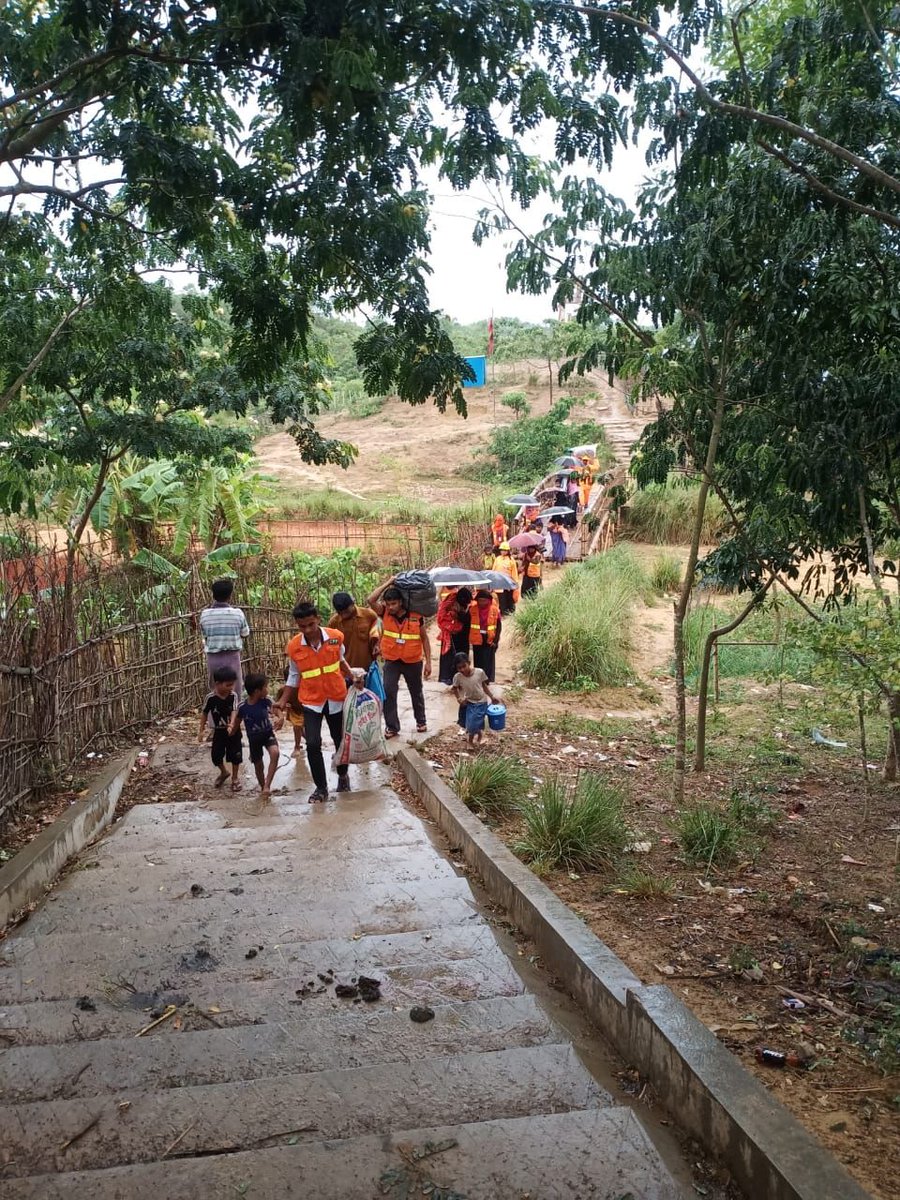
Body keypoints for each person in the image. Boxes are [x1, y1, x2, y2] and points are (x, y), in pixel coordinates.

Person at [276, 602, 356, 803]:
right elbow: (294, 676)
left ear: (318, 619)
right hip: (311, 700)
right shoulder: (294, 646)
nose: (308, 630)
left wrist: (354, 676)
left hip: (336, 697)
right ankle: (321, 788)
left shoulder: (336, 638)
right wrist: (282, 701)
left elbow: (340, 660)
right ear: (297, 625)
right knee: (312, 743)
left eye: (311, 624)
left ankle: (343, 775)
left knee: (340, 741)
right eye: (302, 626)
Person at [367, 576, 432, 737]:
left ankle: (421, 721)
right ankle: (392, 727)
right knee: (388, 692)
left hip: (413, 661)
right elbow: (370, 599)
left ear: (401, 602)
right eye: (388, 604)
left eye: (394, 603)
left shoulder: (416, 616)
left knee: (416, 692)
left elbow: (424, 639)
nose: (390, 607)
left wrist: (429, 662)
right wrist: (388, 582)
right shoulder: (384, 613)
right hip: (391, 660)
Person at [229, 673, 282, 800]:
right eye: (265, 687)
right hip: (254, 740)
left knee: (275, 753)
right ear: (257, 691)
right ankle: (263, 786)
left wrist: (280, 717)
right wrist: (231, 733)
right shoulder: (243, 707)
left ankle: (267, 785)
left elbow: (277, 710)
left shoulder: (267, 701)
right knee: (259, 766)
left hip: (268, 734)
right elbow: (236, 722)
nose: (267, 690)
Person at [199, 578, 250, 698]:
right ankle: (235, 714)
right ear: (230, 595)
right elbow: (245, 633)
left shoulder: (205, 614)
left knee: (215, 688)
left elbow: (204, 635)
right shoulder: (237, 613)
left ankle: (214, 715)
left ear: (213, 594)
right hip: (232, 657)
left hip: (213, 657)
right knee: (235, 688)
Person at [197, 666, 243, 790]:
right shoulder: (210, 698)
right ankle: (224, 772)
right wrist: (201, 730)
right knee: (216, 755)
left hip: (233, 731)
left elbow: (234, 710)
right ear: (217, 684)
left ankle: (235, 778)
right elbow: (205, 713)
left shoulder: (233, 695)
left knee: (236, 755)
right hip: (218, 730)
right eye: (228, 685)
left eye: (232, 684)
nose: (231, 688)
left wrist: (232, 724)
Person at [450, 652, 497, 748]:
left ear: (469, 663)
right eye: (459, 668)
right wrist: (459, 699)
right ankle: (474, 738)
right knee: (471, 724)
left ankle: (471, 740)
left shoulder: (479, 672)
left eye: (464, 666)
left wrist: (492, 697)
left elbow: (484, 686)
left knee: (474, 723)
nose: (462, 669)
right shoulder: (458, 677)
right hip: (469, 702)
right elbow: (454, 688)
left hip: (481, 701)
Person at [327, 592, 380, 670]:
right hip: (346, 670)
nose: (343, 615)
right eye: (340, 613)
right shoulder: (334, 623)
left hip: (369, 668)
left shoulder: (369, 615)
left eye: (346, 612)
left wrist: (377, 644)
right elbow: (331, 645)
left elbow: (379, 627)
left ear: (352, 604)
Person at [436, 587, 472, 684]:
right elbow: (442, 618)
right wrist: (458, 614)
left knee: (462, 658)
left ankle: (461, 679)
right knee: (450, 658)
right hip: (451, 636)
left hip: (463, 637)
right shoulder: (450, 605)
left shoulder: (468, 606)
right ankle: (448, 679)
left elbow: (467, 621)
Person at [469, 588, 501, 681]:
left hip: (489, 638)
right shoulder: (472, 609)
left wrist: (496, 640)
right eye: (480, 600)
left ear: (489, 601)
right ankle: (479, 679)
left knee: (488, 660)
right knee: (478, 660)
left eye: (484, 601)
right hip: (477, 638)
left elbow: (499, 625)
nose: (482, 603)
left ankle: (489, 680)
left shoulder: (494, 610)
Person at [491, 541, 520, 616]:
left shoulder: (511, 560)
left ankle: (511, 611)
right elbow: (494, 570)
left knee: (509, 597)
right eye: (502, 550)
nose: (503, 552)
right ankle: (502, 613)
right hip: (499, 582)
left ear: (508, 551)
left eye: (505, 550)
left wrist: (515, 582)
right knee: (501, 598)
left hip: (509, 582)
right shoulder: (497, 559)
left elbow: (514, 572)